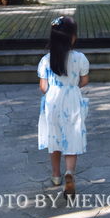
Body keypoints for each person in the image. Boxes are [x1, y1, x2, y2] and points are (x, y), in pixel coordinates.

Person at [37, 15, 90, 198]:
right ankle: (69, 172)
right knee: (72, 137)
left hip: (52, 101)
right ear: (73, 37)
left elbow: (43, 87)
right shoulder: (80, 58)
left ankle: (56, 176)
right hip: (72, 100)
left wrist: (51, 90)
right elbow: (84, 81)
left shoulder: (45, 60)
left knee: (55, 137)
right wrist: (72, 87)